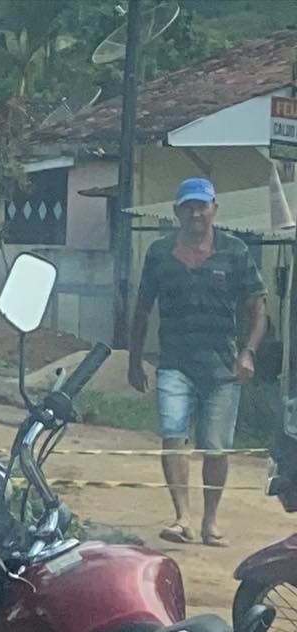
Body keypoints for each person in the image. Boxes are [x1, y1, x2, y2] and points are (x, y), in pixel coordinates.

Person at [128, 177, 267, 547]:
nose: (195, 213)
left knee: (216, 447)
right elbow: (142, 309)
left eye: (202, 206)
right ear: (176, 212)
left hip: (223, 368)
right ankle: (182, 518)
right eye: (188, 206)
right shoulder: (158, 253)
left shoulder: (235, 251)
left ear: (214, 210)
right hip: (174, 363)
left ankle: (210, 521)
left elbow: (258, 308)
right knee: (173, 435)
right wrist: (134, 359)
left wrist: (248, 352)